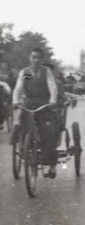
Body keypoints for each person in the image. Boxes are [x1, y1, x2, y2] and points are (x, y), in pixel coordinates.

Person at [12, 47, 59, 178]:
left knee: (48, 133)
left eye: (38, 58)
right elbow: (18, 88)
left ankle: (49, 162)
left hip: (44, 104)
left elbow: (52, 86)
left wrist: (53, 100)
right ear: (30, 58)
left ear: (42, 60)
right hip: (29, 103)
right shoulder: (26, 73)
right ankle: (24, 147)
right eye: (33, 57)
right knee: (23, 124)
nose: (36, 60)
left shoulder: (46, 71)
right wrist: (16, 101)